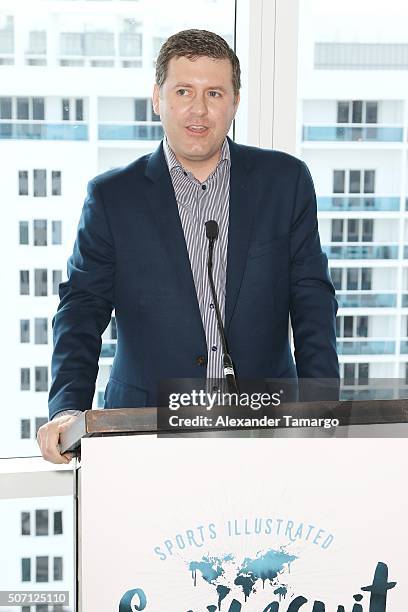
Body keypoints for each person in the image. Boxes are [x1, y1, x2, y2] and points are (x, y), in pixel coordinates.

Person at [37, 29, 339, 464]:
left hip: (267, 432)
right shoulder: (112, 197)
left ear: (235, 102)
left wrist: (320, 405)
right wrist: (67, 408)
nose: (199, 109)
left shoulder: (285, 182)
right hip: (145, 432)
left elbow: (312, 298)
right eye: (183, 91)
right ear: (158, 99)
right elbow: (81, 310)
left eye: (215, 93)